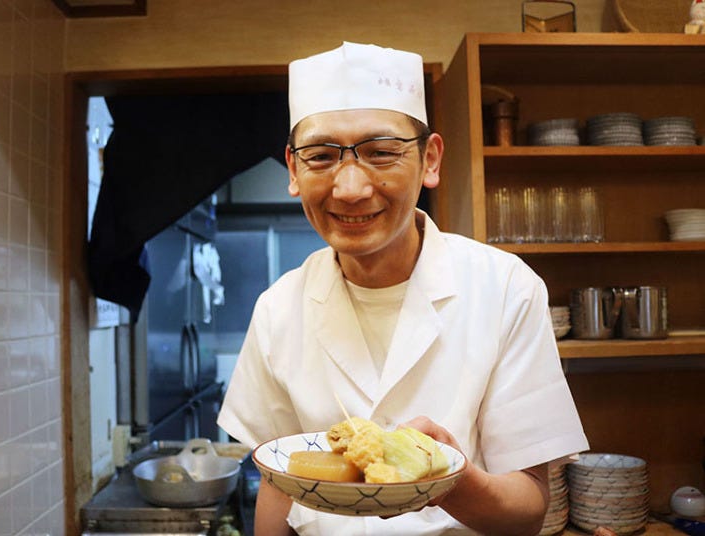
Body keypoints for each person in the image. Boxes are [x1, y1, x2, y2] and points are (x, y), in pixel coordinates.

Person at [217, 41, 588, 535]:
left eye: (381, 153)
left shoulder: (505, 288)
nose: (349, 188)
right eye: (321, 156)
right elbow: (278, 480)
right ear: (293, 169)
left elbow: (526, 510)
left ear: (430, 159)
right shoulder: (278, 307)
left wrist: (440, 472)